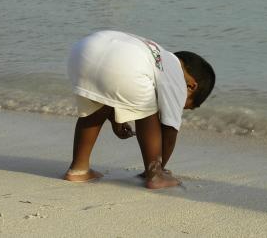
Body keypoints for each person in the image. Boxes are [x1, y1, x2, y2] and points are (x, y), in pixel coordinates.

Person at [64, 30, 215, 189]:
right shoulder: (177, 78)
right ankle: (155, 175)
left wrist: (116, 119)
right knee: (148, 114)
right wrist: (160, 166)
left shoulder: (159, 57)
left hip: (82, 52)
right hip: (125, 64)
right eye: (186, 106)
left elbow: (113, 86)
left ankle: (78, 170)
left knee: (94, 108)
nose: (180, 108)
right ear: (191, 86)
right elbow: (169, 128)